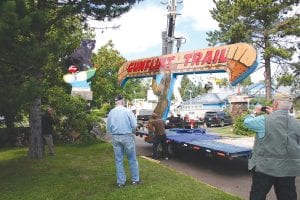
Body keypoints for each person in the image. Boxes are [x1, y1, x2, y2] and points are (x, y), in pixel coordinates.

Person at [243, 92, 300, 200]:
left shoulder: (264, 120)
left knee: (257, 195)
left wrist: (255, 112)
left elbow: (247, 122)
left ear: (275, 104)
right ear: (290, 106)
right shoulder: (297, 123)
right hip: (288, 169)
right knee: (288, 196)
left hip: (265, 168)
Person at [106, 94, 140, 188]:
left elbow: (108, 127)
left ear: (116, 101)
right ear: (122, 101)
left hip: (116, 137)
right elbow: (134, 125)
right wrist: (132, 131)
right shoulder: (127, 111)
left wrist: (113, 132)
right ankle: (135, 180)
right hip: (127, 136)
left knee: (118, 160)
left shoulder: (111, 112)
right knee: (132, 158)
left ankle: (121, 182)